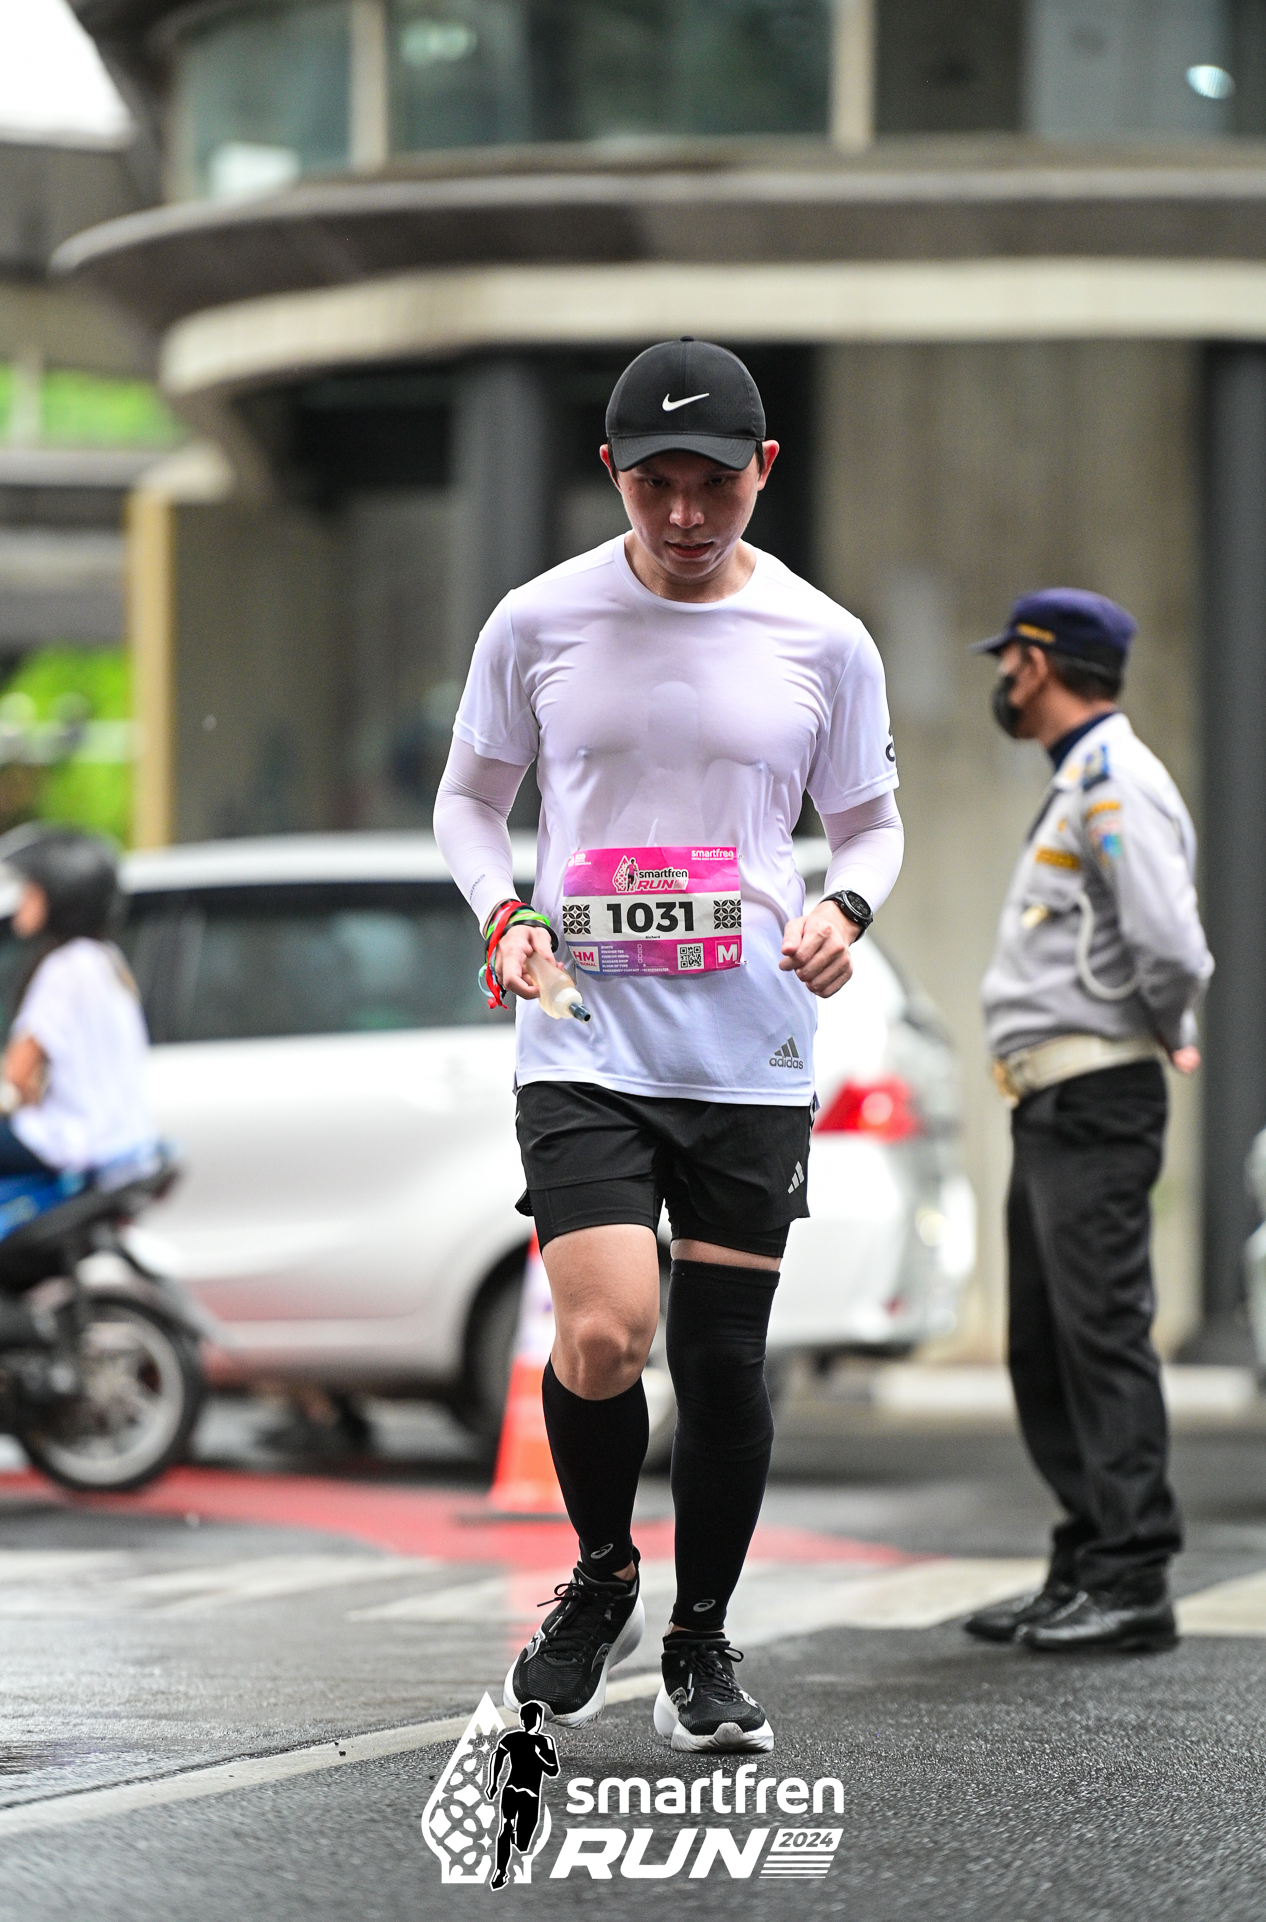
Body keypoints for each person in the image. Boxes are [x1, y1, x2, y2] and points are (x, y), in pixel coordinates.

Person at [435, 336, 903, 1752]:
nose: (686, 515)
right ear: (611, 473)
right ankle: (602, 1572)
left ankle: (700, 1638)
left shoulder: (826, 639)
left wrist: (846, 908)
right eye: (656, 486)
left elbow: (869, 823)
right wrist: (505, 911)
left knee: (719, 1362)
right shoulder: (538, 619)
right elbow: (469, 801)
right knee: (600, 1331)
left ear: (765, 469)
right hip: (583, 1036)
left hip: (749, 1048)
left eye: (715, 484)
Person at [964, 589, 1213, 1654]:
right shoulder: (1078, 779)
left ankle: (1132, 1575)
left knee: (1099, 1332)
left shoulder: (1115, 780)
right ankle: (1085, 1559)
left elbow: (1170, 943)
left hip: (1095, 1091)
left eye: (1008, 658)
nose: (1000, 677)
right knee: (1045, 1342)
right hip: (1052, 1100)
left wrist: (1169, 1025)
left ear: (1039, 660)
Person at [0, 825, 155, 1183]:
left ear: (61, 897)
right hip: (123, 1142)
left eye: (31, 891)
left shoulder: (64, 968)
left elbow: (17, 1074)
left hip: (71, 1142)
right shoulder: (108, 960)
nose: (21, 901)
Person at [484, 1700, 559, 1890]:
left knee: (521, 1842)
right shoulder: (519, 1738)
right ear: (527, 1720)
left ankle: (512, 1841)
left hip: (522, 1793)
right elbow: (497, 1756)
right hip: (517, 1791)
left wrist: (537, 1757)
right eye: (534, 1718)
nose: (535, 1722)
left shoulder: (541, 1741)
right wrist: (492, 1783)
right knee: (506, 1827)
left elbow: (553, 1770)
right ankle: (501, 1871)